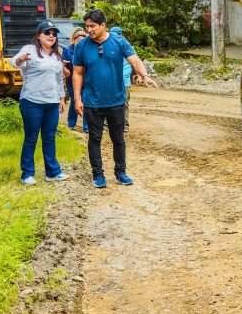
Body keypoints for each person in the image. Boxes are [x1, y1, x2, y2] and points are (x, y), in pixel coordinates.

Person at [72, 10, 158, 188]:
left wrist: (144, 75)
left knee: (118, 139)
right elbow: (77, 73)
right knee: (94, 139)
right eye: (87, 26)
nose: (89, 30)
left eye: (93, 26)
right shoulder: (82, 46)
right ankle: (98, 175)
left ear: (103, 25)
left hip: (116, 101)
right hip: (92, 102)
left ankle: (120, 172)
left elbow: (135, 60)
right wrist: (77, 98)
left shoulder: (119, 41)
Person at [10, 19, 69, 186]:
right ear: (39, 36)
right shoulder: (29, 50)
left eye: (54, 33)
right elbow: (14, 62)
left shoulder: (56, 55)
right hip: (32, 102)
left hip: (52, 103)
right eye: (47, 33)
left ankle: (53, 172)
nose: (51, 36)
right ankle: (27, 174)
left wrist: (61, 98)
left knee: (49, 138)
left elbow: (59, 79)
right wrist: (21, 59)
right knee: (31, 138)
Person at [61, 27, 89, 132]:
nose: (81, 43)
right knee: (74, 101)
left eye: (83, 41)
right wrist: (64, 67)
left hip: (86, 81)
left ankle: (87, 126)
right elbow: (62, 64)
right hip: (71, 81)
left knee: (86, 101)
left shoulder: (88, 50)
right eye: (79, 40)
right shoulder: (67, 50)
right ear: (74, 40)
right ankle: (71, 124)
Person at [109, 26, 133, 133]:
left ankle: (124, 124)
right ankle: (112, 124)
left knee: (123, 104)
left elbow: (134, 63)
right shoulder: (109, 47)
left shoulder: (127, 47)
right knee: (111, 103)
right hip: (112, 81)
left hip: (123, 82)